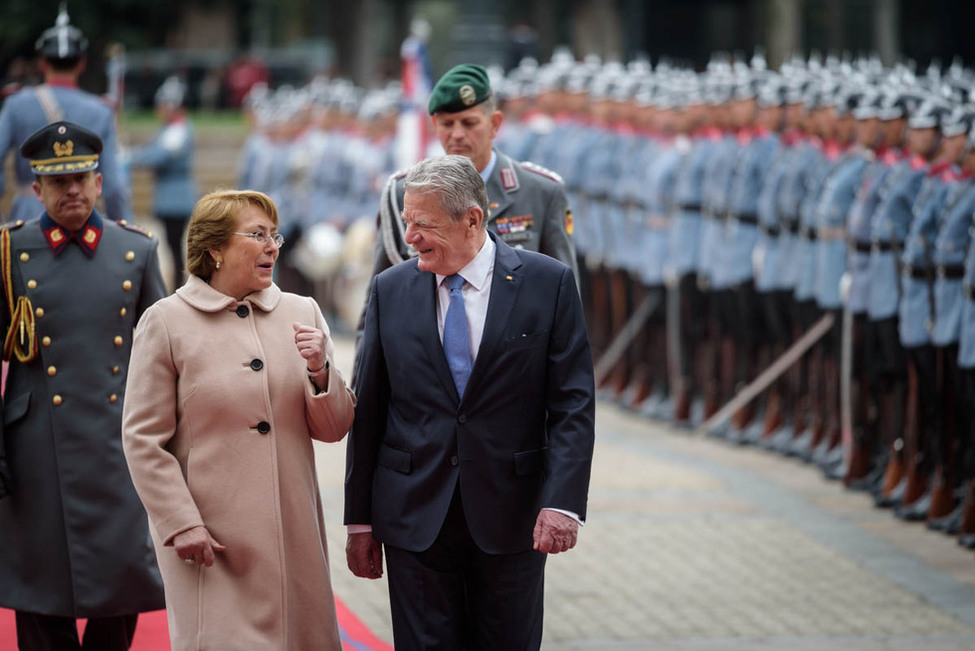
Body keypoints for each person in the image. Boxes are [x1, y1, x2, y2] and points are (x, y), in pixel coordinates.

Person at [346, 155, 595, 650]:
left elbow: (572, 404)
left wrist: (563, 502)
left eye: (423, 224)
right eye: (406, 222)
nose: (409, 236)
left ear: (472, 220)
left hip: (513, 518)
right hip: (413, 517)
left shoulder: (549, 284)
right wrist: (360, 520)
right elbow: (370, 408)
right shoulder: (389, 289)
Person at [121, 189, 356, 650]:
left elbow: (333, 429)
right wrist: (179, 521)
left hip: (294, 538)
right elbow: (143, 440)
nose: (273, 246)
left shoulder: (302, 311)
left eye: (275, 236)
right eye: (257, 235)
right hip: (212, 542)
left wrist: (320, 370)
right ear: (215, 248)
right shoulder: (165, 322)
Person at [0, 121, 167, 649]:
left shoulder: (135, 252)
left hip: (118, 445)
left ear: (99, 182)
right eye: (57, 181)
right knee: (38, 589)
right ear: (36, 190)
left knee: (121, 583)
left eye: (81, 177)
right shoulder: (9, 252)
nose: (71, 189)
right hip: (35, 449)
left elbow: (163, 357)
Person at [368, 63, 577, 293]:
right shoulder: (402, 192)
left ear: (494, 124)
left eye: (469, 123)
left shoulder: (541, 192)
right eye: (447, 124)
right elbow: (380, 295)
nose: (457, 134)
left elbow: (565, 293)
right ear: (435, 126)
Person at [0, 7, 132, 223]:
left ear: (42, 62)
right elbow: (114, 186)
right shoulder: (101, 111)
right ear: (82, 64)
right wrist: (120, 227)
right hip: (83, 218)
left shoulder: (16, 104)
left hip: (28, 216)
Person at [128, 76, 198, 290]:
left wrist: (130, 158)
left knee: (176, 247)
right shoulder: (170, 128)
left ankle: (180, 287)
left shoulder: (178, 129)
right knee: (172, 246)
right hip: (169, 195)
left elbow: (159, 155)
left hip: (176, 197)